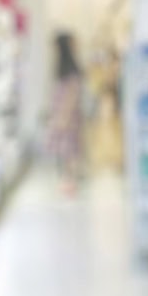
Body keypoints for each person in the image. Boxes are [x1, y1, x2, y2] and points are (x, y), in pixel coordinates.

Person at [49, 31, 85, 190]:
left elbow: (72, 95)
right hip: (65, 115)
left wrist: (63, 117)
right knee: (67, 150)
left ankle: (71, 181)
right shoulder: (65, 69)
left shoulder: (70, 71)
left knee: (69, 149)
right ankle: (69, 179)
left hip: (67, 117)